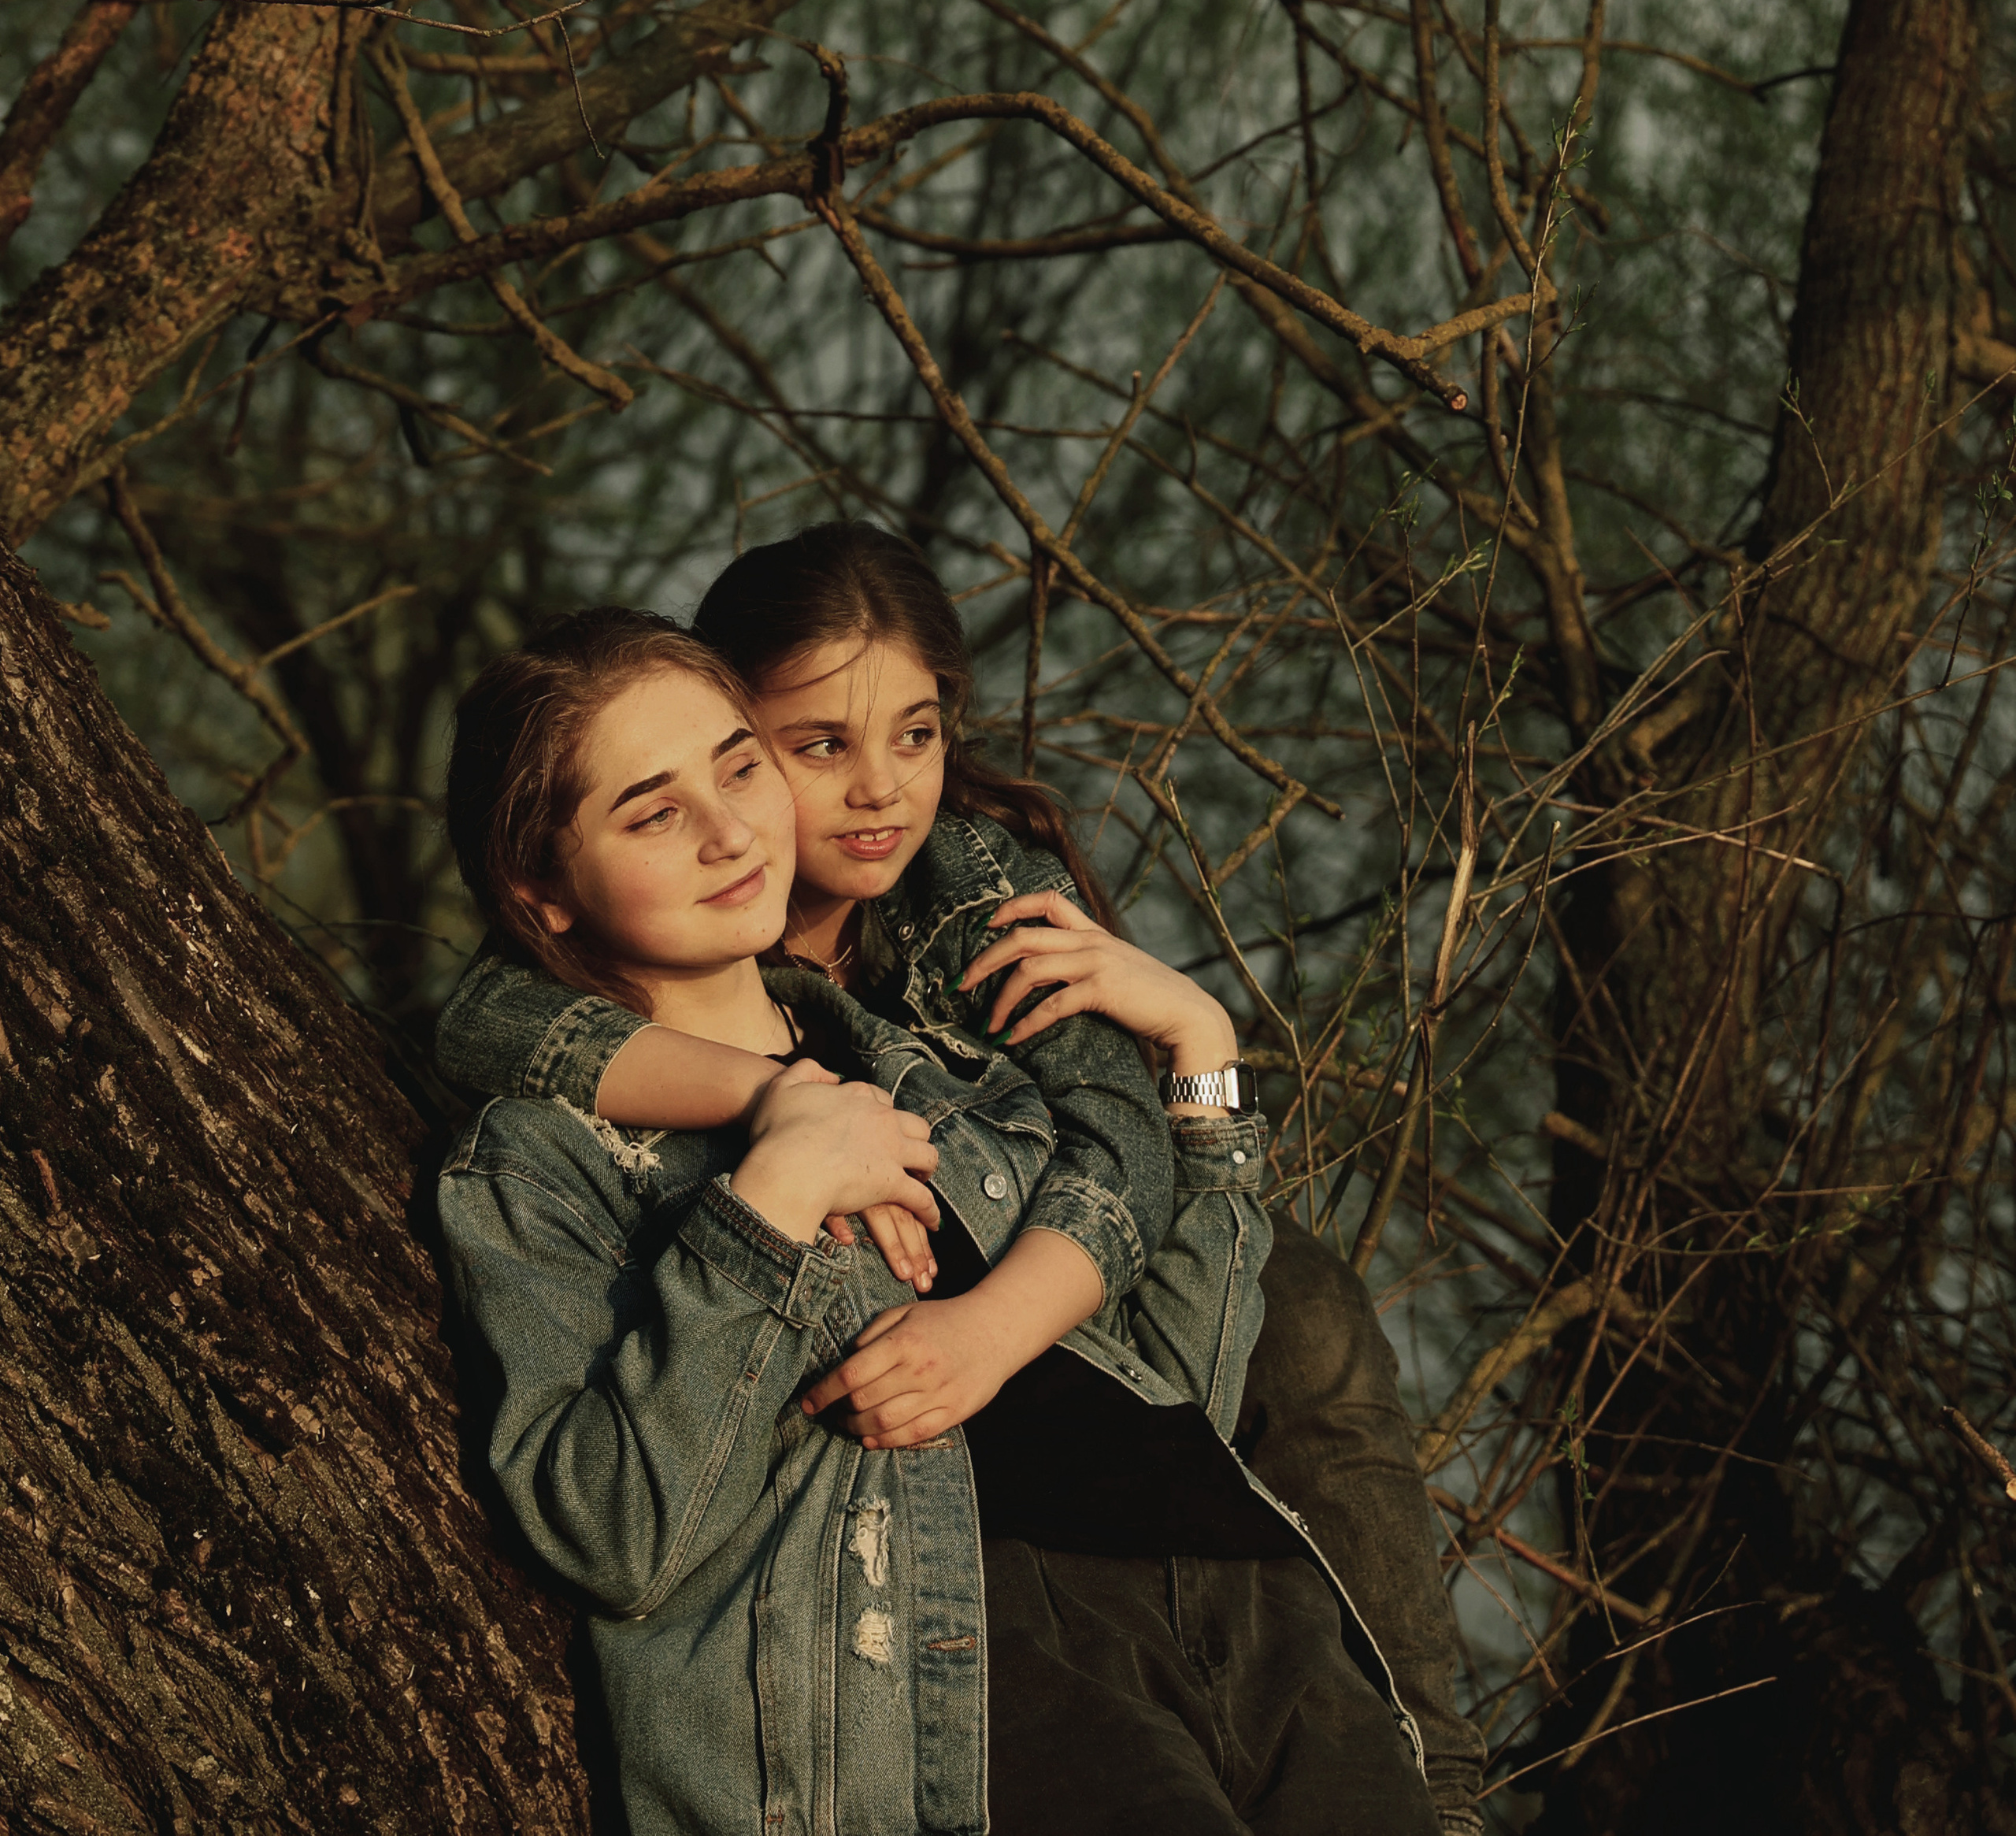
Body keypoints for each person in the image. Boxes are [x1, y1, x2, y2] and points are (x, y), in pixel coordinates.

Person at [439, 525, 1483, 1827]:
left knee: (1309, 1304)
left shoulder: (946, 990)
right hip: (977, 1630)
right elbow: (613, 1527)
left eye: (740, 770)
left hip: (1239, 1577)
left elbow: (1153, 1307)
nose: (742, 828)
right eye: (810, 745)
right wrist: (775, 1163)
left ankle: (1448, 1780)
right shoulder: (551, 1142)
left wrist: (1202, 1060)